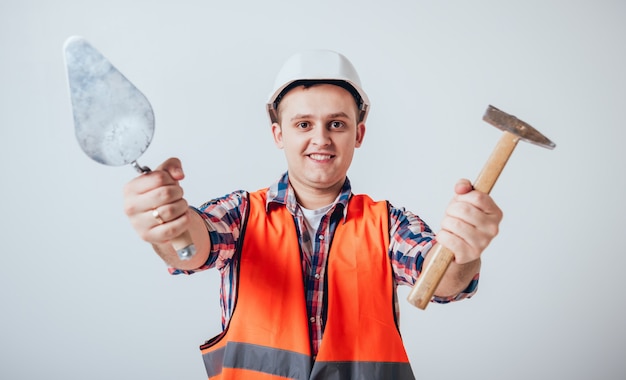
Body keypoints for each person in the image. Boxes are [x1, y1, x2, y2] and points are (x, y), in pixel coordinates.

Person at [123, 50, 502, 380]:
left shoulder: (389, 224)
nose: (321, 138)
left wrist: (464, 251)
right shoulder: (240, 214)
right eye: (303, 124)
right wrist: (168, 222)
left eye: (336, 124)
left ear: (359, 134)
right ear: (278, 134)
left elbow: (443, 280)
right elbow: (193, 246)